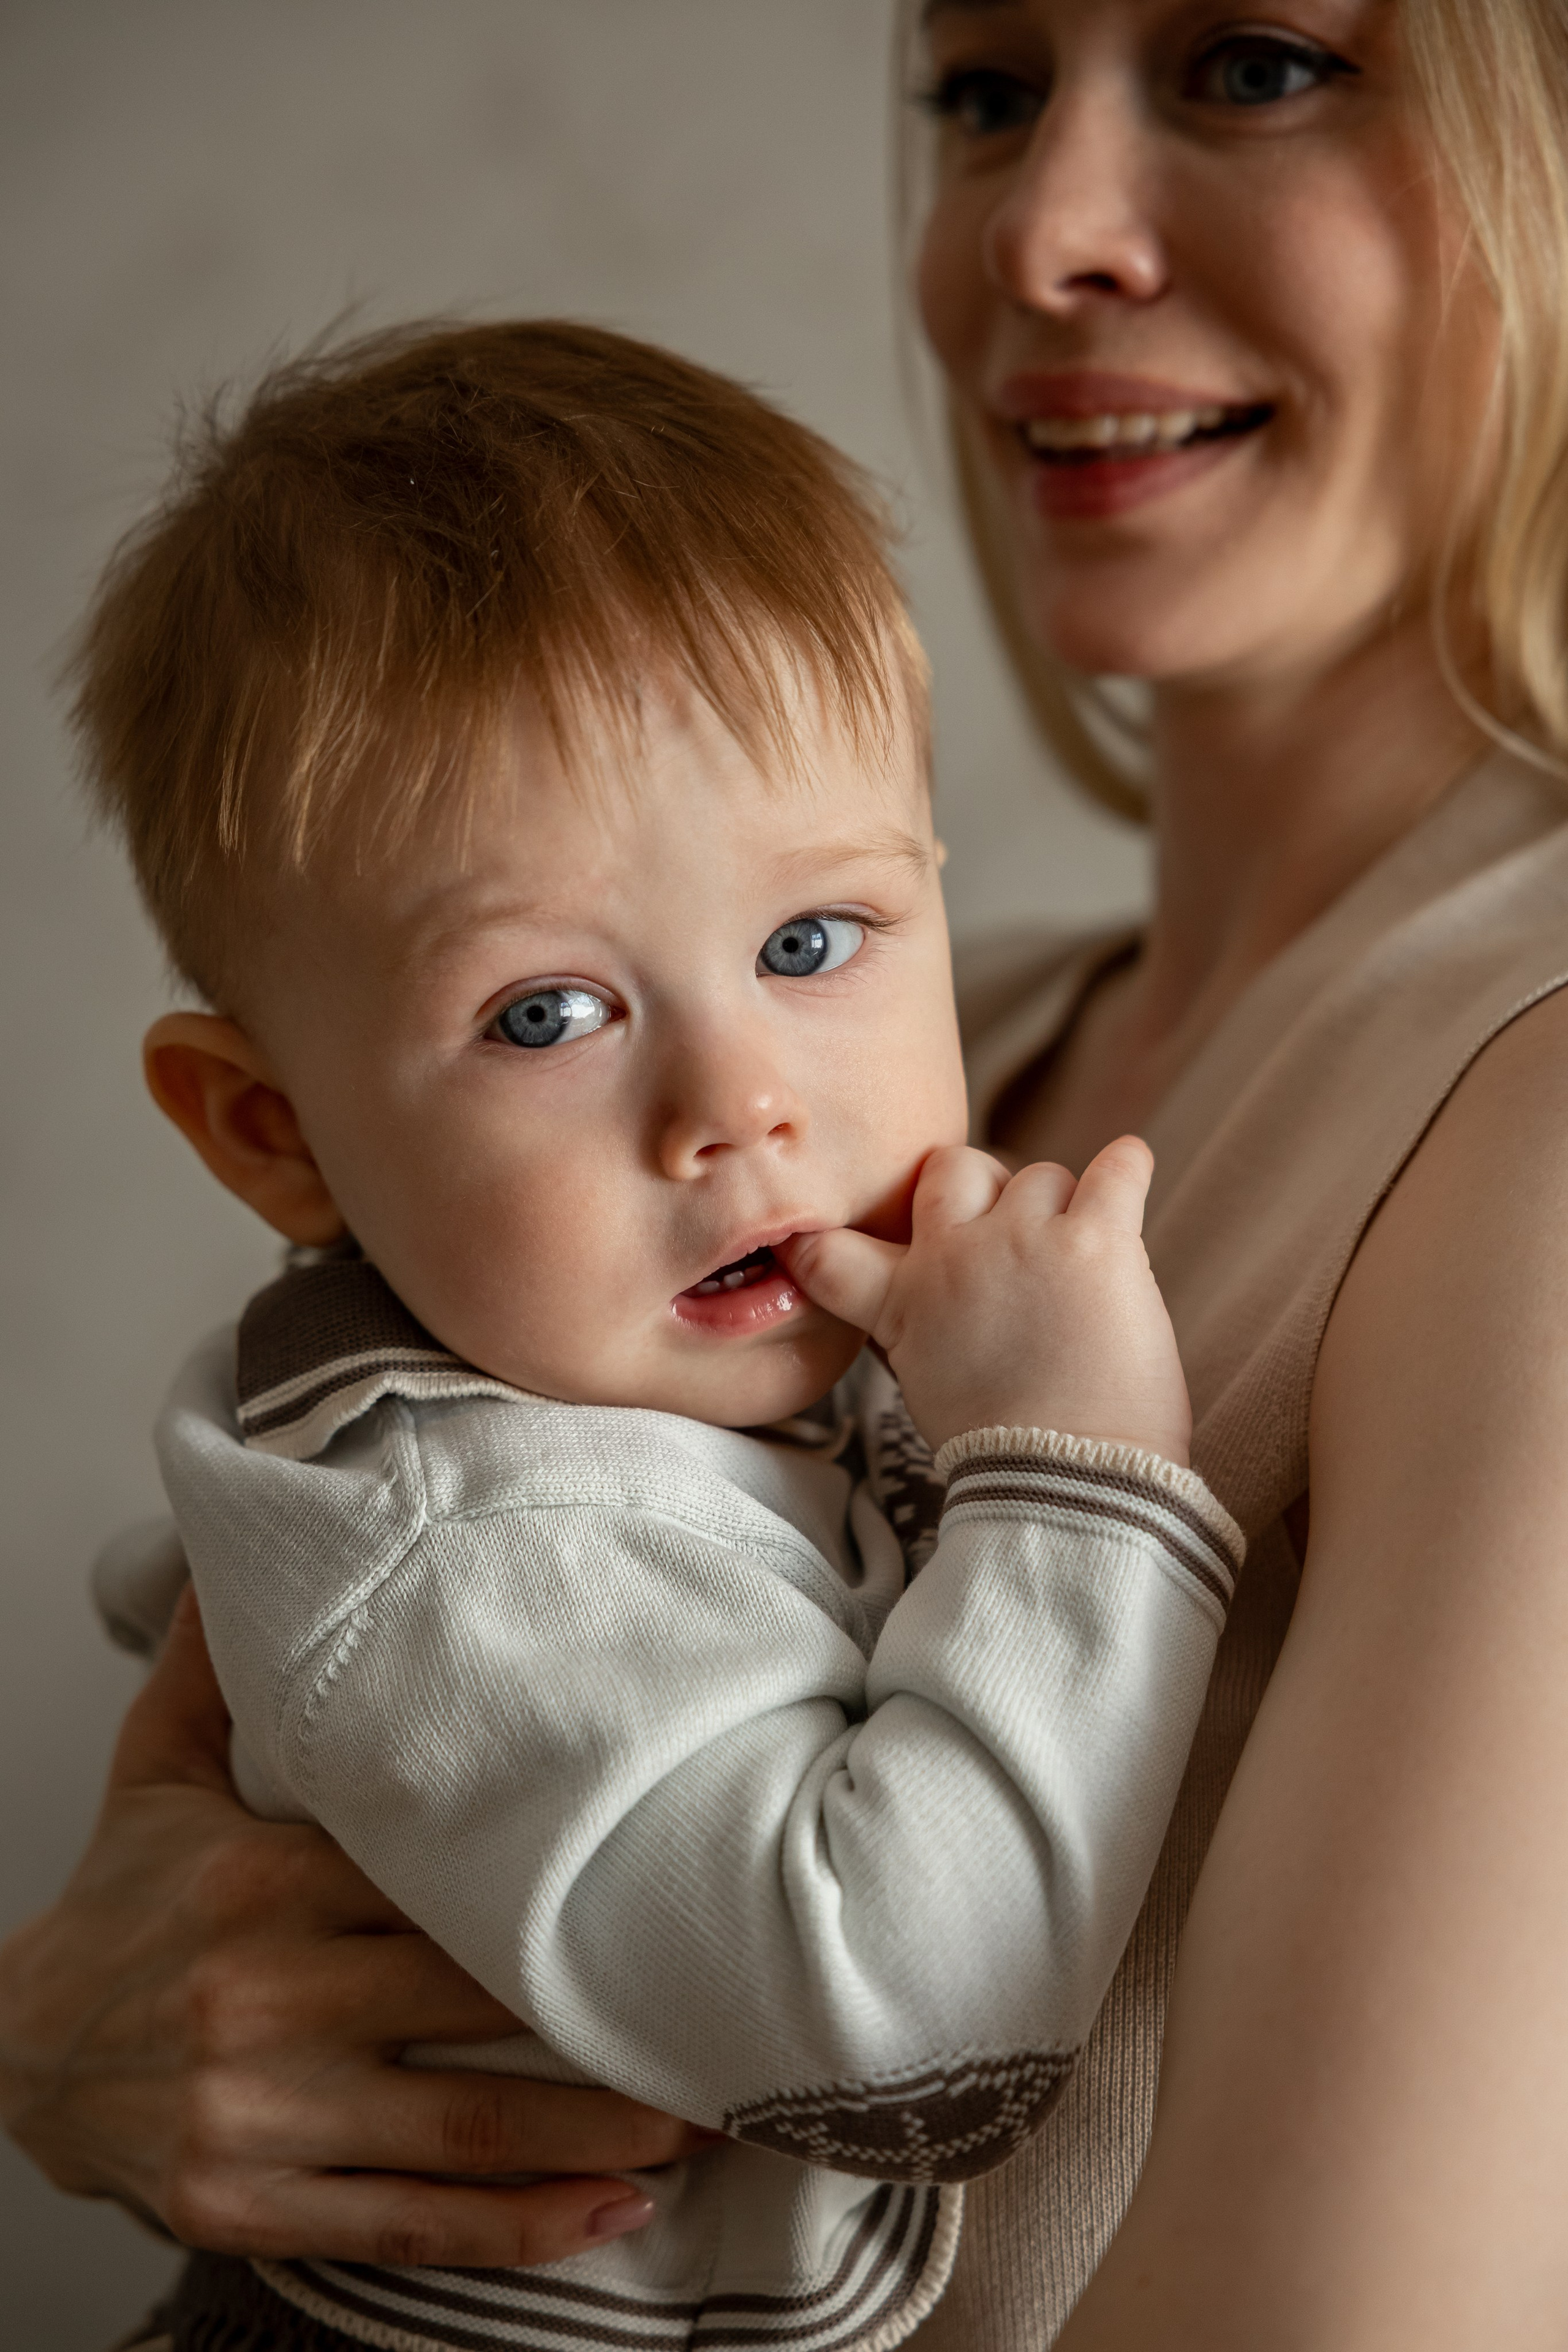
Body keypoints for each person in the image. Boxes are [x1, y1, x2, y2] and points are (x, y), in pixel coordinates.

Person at [9, 0, 1568, 2342]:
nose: (1035, 233)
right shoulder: (918, 1065)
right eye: (982, 86)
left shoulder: (1531, 1107)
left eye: (1260, 60)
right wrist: (80, 2027)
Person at [69, 317, 1242, 2352]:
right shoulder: (473, 1547)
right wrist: (1075, 1481)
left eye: (813, 942)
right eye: (545, 1014)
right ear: (273, 1132)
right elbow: (913, 2031)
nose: (736, 1105)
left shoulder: (597, 1359)